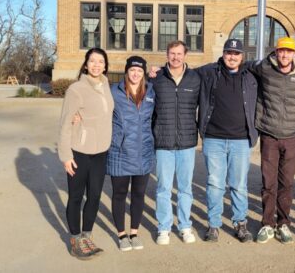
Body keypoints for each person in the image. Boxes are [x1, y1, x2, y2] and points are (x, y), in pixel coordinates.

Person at [246, 37, 295, 244]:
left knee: (287, 183)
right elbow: (238, 66)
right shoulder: (264, 67)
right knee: (268, 182)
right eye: (281, 51)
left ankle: (283, 223)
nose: (284, 55)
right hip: (269, 134)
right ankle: (267, 224)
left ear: (294, 53)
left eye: (288, 52)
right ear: (276, 52)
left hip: (291, 136)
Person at [196, 38, 258, 243]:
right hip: (214, 138)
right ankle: (214, 225)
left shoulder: (250, 76)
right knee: (215, 183)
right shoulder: (209, 72)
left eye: (236, 53)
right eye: (229, 52)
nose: (232, 56)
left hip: (241, 140)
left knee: (239, 184)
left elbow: (272, 67)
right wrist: (157, 71)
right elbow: (183, 72)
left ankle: (240, 223)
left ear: (242, 56)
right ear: (223, 54)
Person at [58, 47, 114, 259]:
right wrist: (66, 156)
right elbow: (65, 123)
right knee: (75, 197)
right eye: (92, 61)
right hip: (79, 152)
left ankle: (87, 235)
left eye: (100, 62)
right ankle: (75, 239)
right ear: (86, 64)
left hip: (101, 153)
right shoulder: (76, 89)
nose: (96, 65)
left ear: (105, 66)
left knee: (95, 196)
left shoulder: (107, 85)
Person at [152, 41, 201, 245]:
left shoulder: (195, 78)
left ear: (185, 55)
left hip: (187, 143)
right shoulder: (156, 79)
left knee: (185, 188)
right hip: (163, 142)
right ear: (167, 54)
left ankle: (184, 225)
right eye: (172, 53)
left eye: (179, 54)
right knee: (163, 187)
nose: (176, 57)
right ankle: (164, 228)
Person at [107, 56, 155, 251]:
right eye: (132, 70)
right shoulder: (113, 91)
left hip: (143, 151)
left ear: (144, 73)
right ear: (126, 72)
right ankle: (121, 234)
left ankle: (134, 232)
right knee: (119, 193)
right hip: (120, 151)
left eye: (139, 71)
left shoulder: (151, 92)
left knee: (138, 194)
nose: (135, 74)